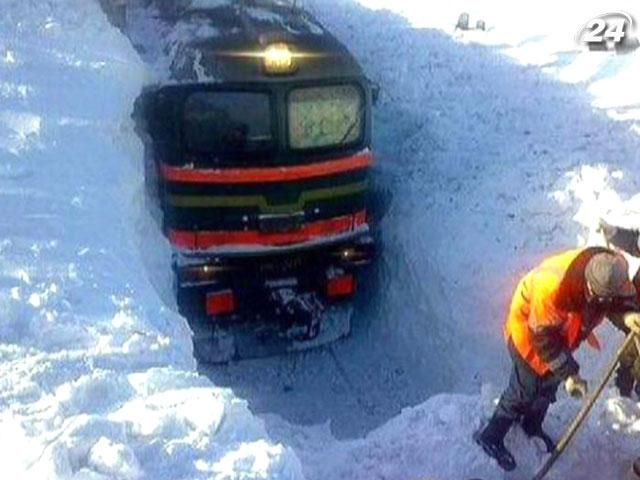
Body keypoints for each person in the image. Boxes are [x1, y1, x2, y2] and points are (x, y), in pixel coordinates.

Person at [474, 247, 640, 471]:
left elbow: (614, 303)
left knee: (549, 385)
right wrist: (570, 374)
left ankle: (531, 425)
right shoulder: (552, 289)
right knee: (525, 388)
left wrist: (627, 317)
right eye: (600, 297)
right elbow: (544, 339)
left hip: (561, 333)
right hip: (530, 333)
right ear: (591, 286)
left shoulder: (612, 270)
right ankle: (491, 435)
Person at [599, 220, 640, 397]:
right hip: (636, 305)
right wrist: (615, 234)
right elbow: (635, 242)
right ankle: (622, 392)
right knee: (629, 352)